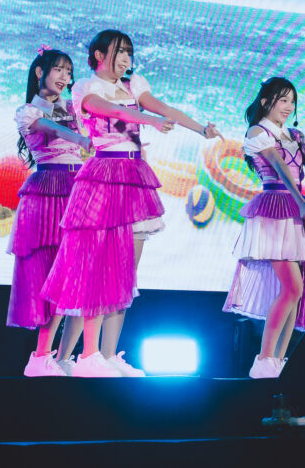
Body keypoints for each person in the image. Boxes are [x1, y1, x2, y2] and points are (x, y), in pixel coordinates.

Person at [41, 30, 221, 377]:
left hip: (134, 177)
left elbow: (163, 107)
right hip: (104, 176)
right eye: (119, 52)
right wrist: (151, 121)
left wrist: (201, 129)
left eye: (129, 53)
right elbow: (112, 111)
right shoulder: (86, 88)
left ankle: (107, 356)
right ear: (98, 55)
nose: (126, 59)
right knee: (94, 271)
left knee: (125, 275)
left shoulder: (134, 84)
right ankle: (73, 357)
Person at [224, 77, 305, 378]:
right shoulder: (258, 132)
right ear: (265, 102)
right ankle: (264, 358)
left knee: (295, 291)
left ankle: (278, 361)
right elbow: (279, 166)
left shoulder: (296, 135)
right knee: (292, 287)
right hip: (274, 208)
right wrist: (300, 200)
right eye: (282, 100)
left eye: (292, 102)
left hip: (295, 210)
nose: (288, 107)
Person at [8, 47, 92, 376]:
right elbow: (52, 128)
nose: (64, 77)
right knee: (53, 276)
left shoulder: (72, 108)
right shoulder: (27, 112)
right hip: (48, 193)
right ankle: (41, 356)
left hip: (77, 190)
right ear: (40, 72)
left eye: (68, 72)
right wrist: (80, 140)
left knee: (79, 277)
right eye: (58, 69)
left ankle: (65, 356)